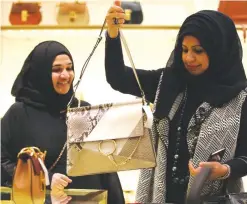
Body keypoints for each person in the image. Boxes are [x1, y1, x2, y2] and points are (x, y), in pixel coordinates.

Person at [105, 1, 247, 203]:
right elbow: (118, 77)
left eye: (198, 50)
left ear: (218, 51)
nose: (189, 58)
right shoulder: (170, 83)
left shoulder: (239, 99)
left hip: (211, 198)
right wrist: (112, 35)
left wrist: (224, 170)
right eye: (184, 49)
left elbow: (245, 157)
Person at [1, 40, 125, 204]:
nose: (65, 75)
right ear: (40, 73)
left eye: (69, 68)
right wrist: (44, 179)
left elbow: (107, 172)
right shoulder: (19, 114)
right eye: (56, 70)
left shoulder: (84, 111)